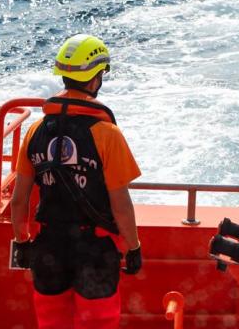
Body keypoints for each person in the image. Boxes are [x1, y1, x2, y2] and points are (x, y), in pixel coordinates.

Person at [10, 34, 142, 329]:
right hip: (94, 250)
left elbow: (18, 202)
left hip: (49, 248)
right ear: (95, 78)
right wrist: (133, 247)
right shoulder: (107, 134)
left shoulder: (35, 131)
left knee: (51, 322)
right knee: (98, 323)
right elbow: (120, 203)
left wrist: (22, 243)